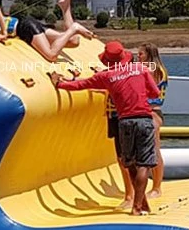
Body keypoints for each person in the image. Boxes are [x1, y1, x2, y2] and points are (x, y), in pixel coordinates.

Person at [50, 40, 160, 215]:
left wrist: (59, 83)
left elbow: (80, 85)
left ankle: (141, 203)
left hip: (124, 122)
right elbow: (154, 93)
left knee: (129, 163)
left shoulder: (106, 76)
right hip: (144, 119)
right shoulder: (141, 69)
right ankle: (138, 206)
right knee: (144, 164)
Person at [16, 0, 94, 62]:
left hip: (24, 28)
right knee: (73, 41)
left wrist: (4, 35)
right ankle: (65, 7)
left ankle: (74, 28)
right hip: (28, 23)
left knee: (51, 55)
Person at [138, 42, 168, 198]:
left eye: (141, 54)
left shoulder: (152, 69)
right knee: (152, 150)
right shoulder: (159, 69)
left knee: (155, 150)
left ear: (149, 55)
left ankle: (157, 187)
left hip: (153, 113)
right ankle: (155, 186)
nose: (138, 57)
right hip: (153, 112)